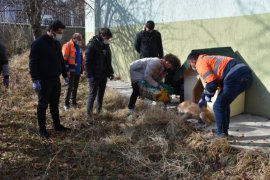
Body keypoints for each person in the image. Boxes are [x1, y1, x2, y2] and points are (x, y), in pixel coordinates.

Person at [187, 52, 253, 137]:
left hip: (235, 76)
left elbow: (212, 83)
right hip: (244, 76)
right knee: (223, 103)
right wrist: (204, 96)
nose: (191, 66)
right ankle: (223, 131)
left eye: (190, 64)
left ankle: (221, 134)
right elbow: (212, 84)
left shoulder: (200, 63)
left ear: (193, 61)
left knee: (218, 105)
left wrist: (205, 98)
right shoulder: (209, 59)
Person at [29, 20, 70, 138]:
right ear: (51, 30)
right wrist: (35, 80)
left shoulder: (56, 44)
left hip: (55, 79)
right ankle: (42, 130)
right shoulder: (38, 43)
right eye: (59, 32)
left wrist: (65, 75)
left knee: (55, 104)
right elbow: (33, 62)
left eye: (62, 32)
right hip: (43, 80)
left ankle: (57, 125)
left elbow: (60, 61)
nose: (60, 34)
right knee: (43, 105)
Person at [84, 27, 114, 123]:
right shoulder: (92, 45)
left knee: (100, 94)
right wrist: (90, 76)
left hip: (103, 74)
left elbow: (108, 60)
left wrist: (110, 72)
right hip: (94, 75)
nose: (108, 40)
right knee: (92, 95)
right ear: (102, 35)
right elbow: (87, 62)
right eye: (107, 38)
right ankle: (89, 115)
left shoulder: (105, 45)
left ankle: (99, 110)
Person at [62, 33, 84, 110]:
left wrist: (82, 69)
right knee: (69, 87)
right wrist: (67, 71)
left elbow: (80, 58)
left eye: (80, 40)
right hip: (70, 72)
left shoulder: (79, 47)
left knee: (75, 87)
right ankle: (66, 104)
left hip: (77, 71)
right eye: (79, 40)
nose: (80, 41)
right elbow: (64, 61)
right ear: (74, 39)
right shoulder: (67, 46)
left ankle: (73, 102)